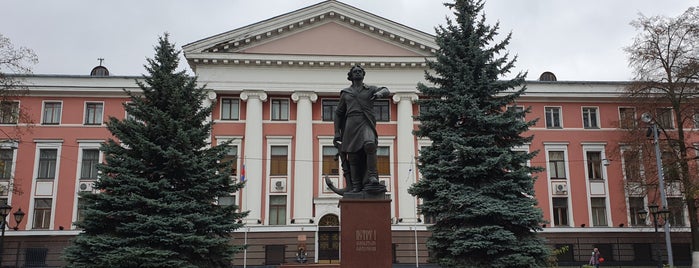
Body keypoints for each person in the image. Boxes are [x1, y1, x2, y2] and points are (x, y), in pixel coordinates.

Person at [333, 65, 390, 193]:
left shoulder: (370, 89)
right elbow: (338, 113)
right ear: (351, 76)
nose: (358, 73)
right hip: (351, 123)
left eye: (360, 71)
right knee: (352, 156)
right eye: (355, 72)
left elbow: (386, 89)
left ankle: (372, 176)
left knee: (369, 144)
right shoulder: (346, 93)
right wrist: (337, 132)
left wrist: (380, 93)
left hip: (366, 121)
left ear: (363, 75)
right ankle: (356, 185)